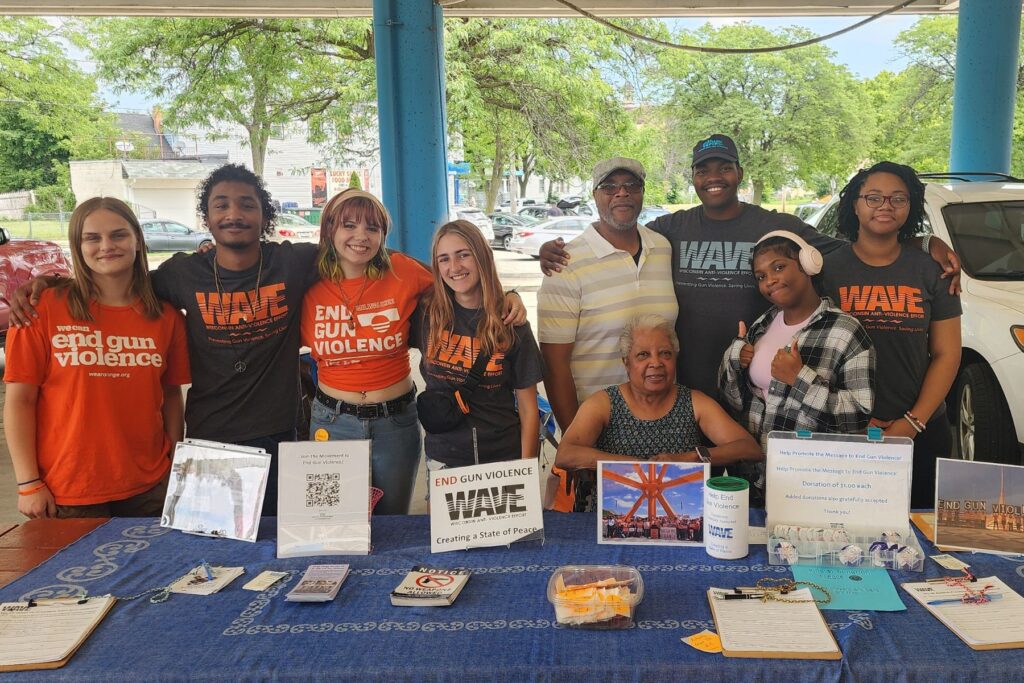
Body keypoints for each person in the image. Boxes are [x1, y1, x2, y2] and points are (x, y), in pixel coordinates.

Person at [540, 135, 961, 400]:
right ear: (693, 179)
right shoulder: (669, 230)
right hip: (681, 389)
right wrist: (554, 249)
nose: (714, 177)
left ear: (739, 173)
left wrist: (923, 242)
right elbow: (619, 227)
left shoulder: (774, 225)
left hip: (758, 385)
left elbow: (853, 248)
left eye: (724, 167)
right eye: (704, 170)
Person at [4, 197, 190, 518]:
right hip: (69, 489)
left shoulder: (166, 316)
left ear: (136, 240)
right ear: (77, 245)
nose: (107, 246)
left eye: (118, 235)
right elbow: (20, 401)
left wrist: (173, 461)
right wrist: (28, 482)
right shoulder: (42, 307)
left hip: (148, 486)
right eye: (92, 238)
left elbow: (171, 394)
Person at [818, 162, 962, 508]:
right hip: (842, 432)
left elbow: (947, 353)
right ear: (855, 204)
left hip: (920, 431)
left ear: (910, 206)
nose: (886, 206)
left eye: (898, 198)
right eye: (874, 197)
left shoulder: (933, 270)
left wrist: (913, 423)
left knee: (922, 546)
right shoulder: (825, 270)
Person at [718, 230, 875, 503]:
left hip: (812, 482)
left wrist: (799, 379)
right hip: (755, 477)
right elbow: (733, 401)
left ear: (808, 264)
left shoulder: (846, 331)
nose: (770, 281)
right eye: (761, 276)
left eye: (779, 267)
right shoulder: (761, 325)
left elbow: (858, 415)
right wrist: (735, 358)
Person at [300, 189, 432, 515]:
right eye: (349, 225)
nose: (361, 236)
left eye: (372, 229)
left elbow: (463, 281)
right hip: (332, 423)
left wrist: (508, 298)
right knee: (334, 522)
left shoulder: (403, 270)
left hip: (395, 423)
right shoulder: (305, 280)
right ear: (330, 229)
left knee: (392, 524)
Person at [554, 314, 762, 512]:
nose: (656, 363)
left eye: (665, 353)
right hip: (615, 519)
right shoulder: (604, 403)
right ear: (626, 362)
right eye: (643, 355)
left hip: (684, 516)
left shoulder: (694, 402)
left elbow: (749, 448)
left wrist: (690, 458)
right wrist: (637, 466)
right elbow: (565, 455)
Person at [538, 157, 677, 433]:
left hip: (664, 423)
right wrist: (575, 440)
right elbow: (555, 368)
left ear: (642, 193)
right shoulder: (565, 263)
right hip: (598, 427)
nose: (622, 192)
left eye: (631, 185)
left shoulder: (662, 248)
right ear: (595, 195)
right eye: (609, 186)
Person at [414, 219, 543, 468]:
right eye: (444, 259)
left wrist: (526, 471)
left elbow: (529, 410)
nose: (454, 267)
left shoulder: (511, 322)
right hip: (443, 457)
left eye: (463, 255)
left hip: (502, 456)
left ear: (482, 256)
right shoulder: (427, 314)